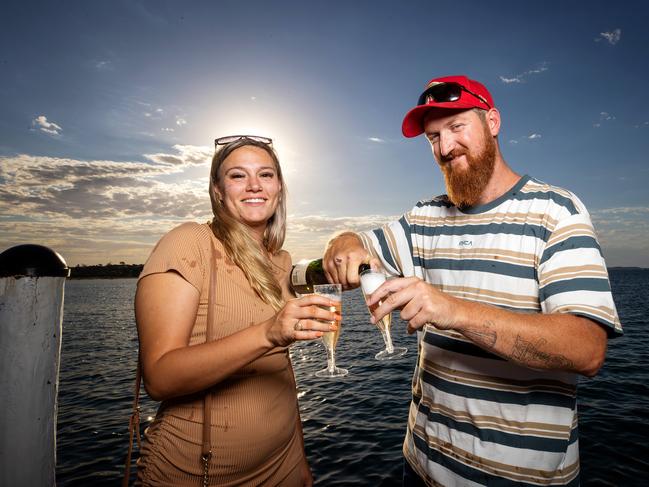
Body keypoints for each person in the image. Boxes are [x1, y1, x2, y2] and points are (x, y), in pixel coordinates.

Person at [324, 75, 623, 486]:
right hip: (420, 468)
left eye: (456, 127)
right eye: (433, 138)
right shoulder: (424, 217)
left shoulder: (558, 212)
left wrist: (453, 311)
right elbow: (356, 242)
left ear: (493, 122)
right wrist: (346, 243)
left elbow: (586, 349)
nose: (445, 148)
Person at [134, 135, 339, 486]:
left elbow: (280, 370)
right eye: (238, 176)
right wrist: (267, 333)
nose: (255, 185)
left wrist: (300, 459)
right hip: (197, 474)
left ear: (279, 188)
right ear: (217, 190)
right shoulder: (190, 242)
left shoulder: (280, 260)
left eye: (266, 174)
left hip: (283, 466)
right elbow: (159, 377)